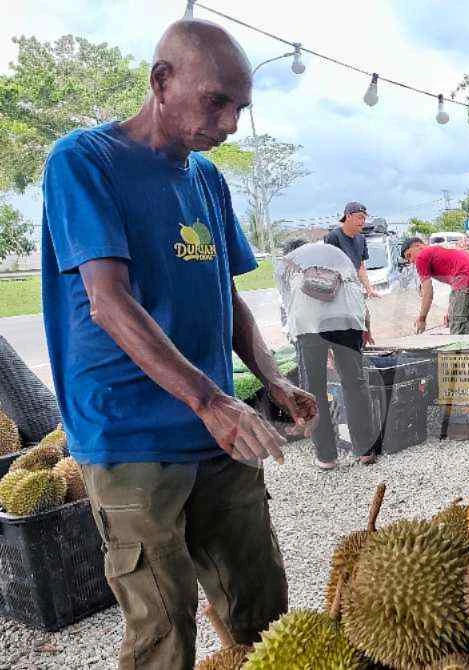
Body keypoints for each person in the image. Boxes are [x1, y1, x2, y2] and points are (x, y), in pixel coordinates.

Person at [39, 19, 317, 669]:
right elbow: (108, 301)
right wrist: (212, 399)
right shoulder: (84, 162)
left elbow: (229, 298)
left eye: (239, 108)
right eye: (215, 100)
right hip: (129, 431)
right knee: (163, 626)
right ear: (161, 81)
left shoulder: (208, 181)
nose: (227, 122)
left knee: (262, 605)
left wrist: (268, 378)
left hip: (216, 428)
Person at [277, 242, 381, 469]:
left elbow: (286, 305)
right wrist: (364, 326)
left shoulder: (286, 265)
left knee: (313, 390)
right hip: (347, 320)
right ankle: (365, 451)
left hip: (308, 324)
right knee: (354, 383)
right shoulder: (337, 257)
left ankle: (326, 457)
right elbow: (358, 294)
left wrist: (297, 337)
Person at [401, 238, 469, 334]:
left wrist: (422, 319)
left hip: (466, 285)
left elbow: (428, 293)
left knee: (459, 337)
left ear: (418, 246)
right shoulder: (438, 250)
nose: (411, 261)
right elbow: (457, 280)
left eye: (409, 255)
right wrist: (452, 310)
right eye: (408, 260)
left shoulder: (421, 257)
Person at [325, 201, 379, 298]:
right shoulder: (334, 236)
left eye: (364, 218)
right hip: (336, 292)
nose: (363, 222)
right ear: (348, 216)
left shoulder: (361, 239)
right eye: (360, 217)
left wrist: (369, 289)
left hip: (354, 290)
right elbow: (328, 267)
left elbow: (361, 268)